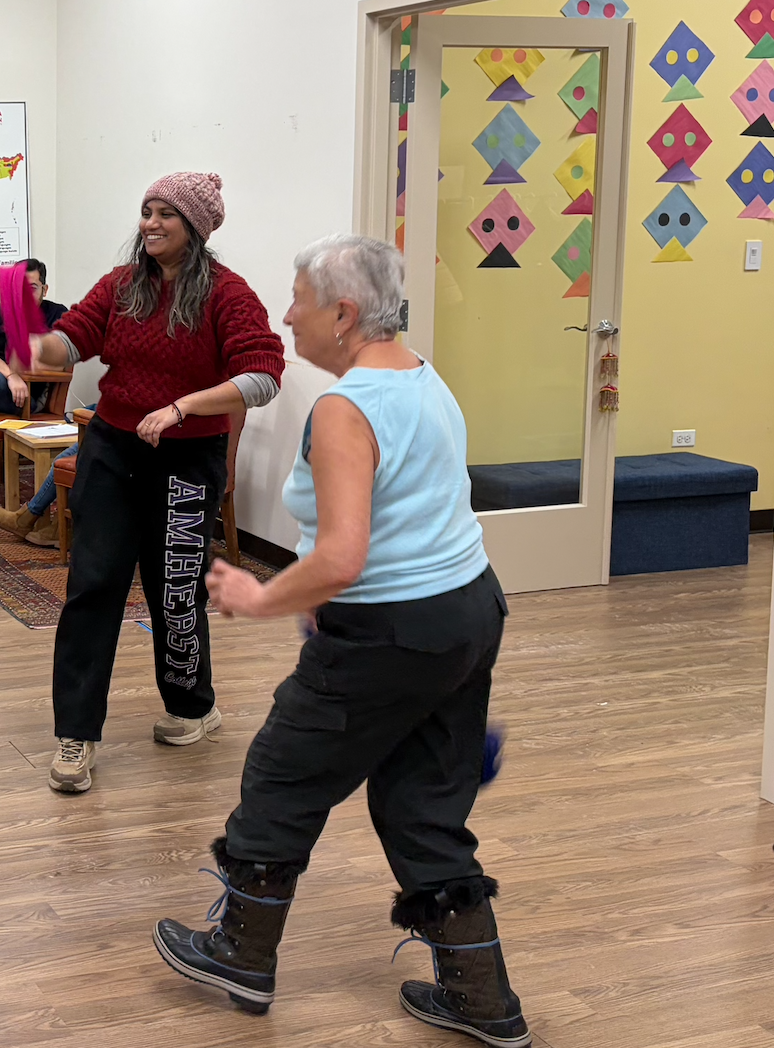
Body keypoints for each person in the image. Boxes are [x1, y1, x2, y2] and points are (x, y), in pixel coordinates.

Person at [153, 234, 527, 1048]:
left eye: (299, 299)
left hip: (391, 632)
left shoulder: (345, 409)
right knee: (422, 803)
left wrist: (259, 596)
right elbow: (411, 515)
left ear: (344, 314)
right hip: (466, 611)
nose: (287, 315)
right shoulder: (423, 377)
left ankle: (241, 954)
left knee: (281, 775)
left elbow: (342, 556)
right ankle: (483, 1000)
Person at [25, 173, 283, 794]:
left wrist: (184, 406)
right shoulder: (121, 286)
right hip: (114, 450)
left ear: (195, 226)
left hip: (189, 457)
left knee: (176, 589)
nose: (150, 223)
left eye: (166, 212)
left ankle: (192, 706)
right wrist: (35, 336)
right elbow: (70, 342)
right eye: (146, 210)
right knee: (94, 586)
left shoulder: (228, 294)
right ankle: (76, 734)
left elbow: (264, 376)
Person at [0, 258, 67, 417]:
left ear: (44, 289)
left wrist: (18, 373)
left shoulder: (57, 314)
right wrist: (11, 375)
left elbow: (58, 363)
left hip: (23, 396)